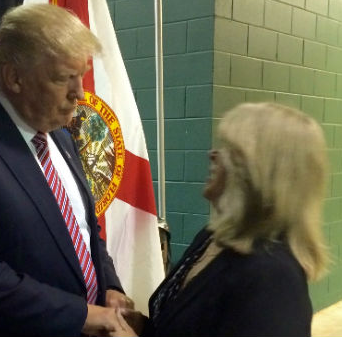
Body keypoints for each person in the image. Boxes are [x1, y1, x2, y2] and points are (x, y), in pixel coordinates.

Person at [0, 3, 134, 336]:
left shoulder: (61, 137)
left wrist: (109, 287)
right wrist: (82, 316)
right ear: (14, 77)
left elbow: (84, 230)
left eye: (82, 76)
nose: (80, 93)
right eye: (64, 79)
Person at [113, 102, 330, 337]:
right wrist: (143, 327)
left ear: (258, 171)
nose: (213, 154)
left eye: (229, 149)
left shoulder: (274, 278)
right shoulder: (213, 236)